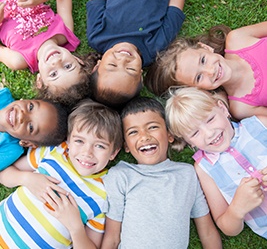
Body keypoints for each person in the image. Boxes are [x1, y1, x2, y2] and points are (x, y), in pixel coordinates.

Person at [100, 96, 222, 248]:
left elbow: (207, 232)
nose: (144, 136)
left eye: (152, 127)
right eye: (133, 132)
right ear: (126, 146)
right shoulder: (121, 175)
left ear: (169, 135)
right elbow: (112, 237)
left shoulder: (187, 174)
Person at [0, 99, 123, 249]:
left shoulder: (103, 196)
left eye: (99, 146)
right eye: (79, 141)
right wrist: (27, 178)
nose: (87, 152)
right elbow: (4, 173)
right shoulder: (54, 152)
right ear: (68, 141)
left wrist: (75, 227)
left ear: (114, 153)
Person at [165, 86, 267, 239]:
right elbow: (227, 228)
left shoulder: (260, 124)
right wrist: (237, 208)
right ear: (188, 142)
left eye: (210, 119)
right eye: (194, 133)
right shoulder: (204, 169)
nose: (209, 133)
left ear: (223, 109)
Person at [86, 0, 192, 108]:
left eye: (112, 65)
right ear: (141, 75)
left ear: (97, 66)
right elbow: (176, 1)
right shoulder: (156, 47)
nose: (123, 59)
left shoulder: (97, 35)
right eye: (130, 69)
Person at [146, 22, 267, 120]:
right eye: (198, 77)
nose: (210, 71)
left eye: (203, 60)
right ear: (198, 90)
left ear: (205, 48)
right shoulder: (241, 107)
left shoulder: (238, 39)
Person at [0, 0, 91, 106]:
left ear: (40, 80)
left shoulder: (19, 59)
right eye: (68, 66)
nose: (56, 62)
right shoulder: (64, 32)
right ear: (77, 59)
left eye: (53, 74)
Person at [0, 86, 68, 170]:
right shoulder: (3, 97)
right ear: (25, 100)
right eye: (30, 107)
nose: (22, 115)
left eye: (31, 127)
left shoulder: (11, 150)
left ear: (27, 143)